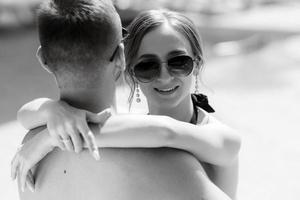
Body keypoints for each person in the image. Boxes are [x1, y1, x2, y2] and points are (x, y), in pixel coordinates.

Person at [11, 1, 240, 199]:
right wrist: (52, 115)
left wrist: (51, 136)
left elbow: (166, 132)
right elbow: (160, 132)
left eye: (179, 61)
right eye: (146, 66)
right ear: (123, 61)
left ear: (43, 59)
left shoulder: (30, 152)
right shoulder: (159, 157)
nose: (164, 75)